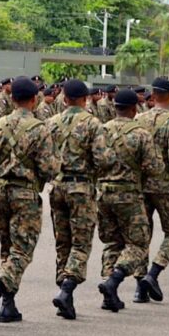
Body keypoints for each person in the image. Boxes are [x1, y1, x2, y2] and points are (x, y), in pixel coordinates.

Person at [0, 77, 60, 325]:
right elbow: (49, 168)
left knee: (8, 249)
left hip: (1, 191)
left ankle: (8, 304)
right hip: (25, 193)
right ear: (34, 100)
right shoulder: (39, 128)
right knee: (22, 250)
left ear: (12, 99)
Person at [46, 79, 111, 320]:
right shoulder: (93, 124)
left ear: (64, 98)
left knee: (63, 241)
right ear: (85, 99)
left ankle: (65, 292)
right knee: (81, 243)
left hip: (58, 186)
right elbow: (103, 160)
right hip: (81, 188)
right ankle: (67, 289)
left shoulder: (51, 123)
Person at [96, 89, 160, 312]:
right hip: (129, 194)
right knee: (138, 244)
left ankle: (108, 291)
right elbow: (154, 168)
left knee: (112, 242)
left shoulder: (102, 130)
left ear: (115, 107)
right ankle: (114, 280)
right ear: (134, 109)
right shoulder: (141, 133)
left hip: (103, 193)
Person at [134, 77, 169, 303]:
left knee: (142, 234)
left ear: (153, 96)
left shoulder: (138, 119)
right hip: (164, 185)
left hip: (141, 185)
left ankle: (139, 287)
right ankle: (153, 273)